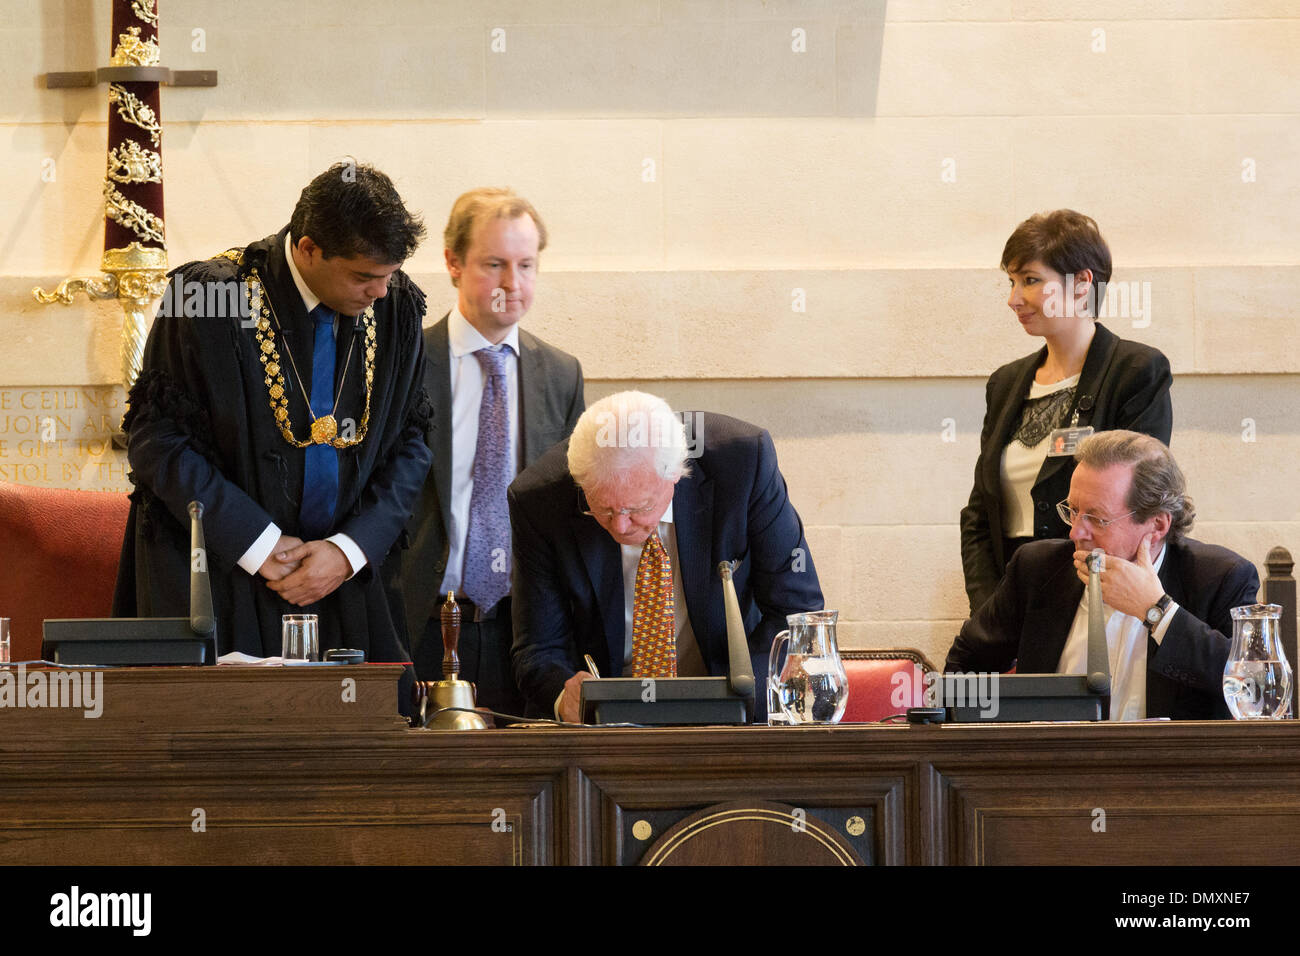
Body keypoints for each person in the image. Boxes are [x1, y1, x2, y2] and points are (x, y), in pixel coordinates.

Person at [113, 162, 432, 714]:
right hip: (221, 569)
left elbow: (412, 443)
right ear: (308, 249)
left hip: (344, 578)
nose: (380, 292)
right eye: (363, 277)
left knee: (366, 764)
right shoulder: (206, 297)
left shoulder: (398, 303)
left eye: (389, 275)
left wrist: (347, 549)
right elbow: (156, 440)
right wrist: (257, 545)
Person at [509, 390, 823, 722]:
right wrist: (565, 696)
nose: (620, 525)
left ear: (675, 473)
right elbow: (538, 649)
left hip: (730, 708)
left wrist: (734, 701)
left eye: (638, 508)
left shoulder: (743, 462)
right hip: (606, 726)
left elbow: (797, 613)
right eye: (601, 509)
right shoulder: (539, 499)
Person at [401, 188, 584, 717]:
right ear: (453, 264)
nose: (513, 283)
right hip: (422, 630)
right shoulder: (406, 362)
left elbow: (571, 511)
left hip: (529, 641)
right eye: (495, 264)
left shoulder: (560, 374)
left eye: (527, 265)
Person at [946, 431, 1259, 720]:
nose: (1075, 532)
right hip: (1051, 771)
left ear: (1158, 525)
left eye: (1096, 518)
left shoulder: (1221, 578)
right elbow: (961, 671)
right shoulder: (1037, 569)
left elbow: (1253, 693)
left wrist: (1157, 612)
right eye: (1073, 510)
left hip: (1168, 773)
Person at [960, 210, 1173, 616]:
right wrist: (991, 611)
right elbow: (978, 515)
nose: (1014, 298)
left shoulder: (1136, 371)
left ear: (1081, 284)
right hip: (1011, 598)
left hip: (1099, 599)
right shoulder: (1004, 383)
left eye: (1031, 280)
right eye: (1011, 281)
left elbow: (1139, 507)